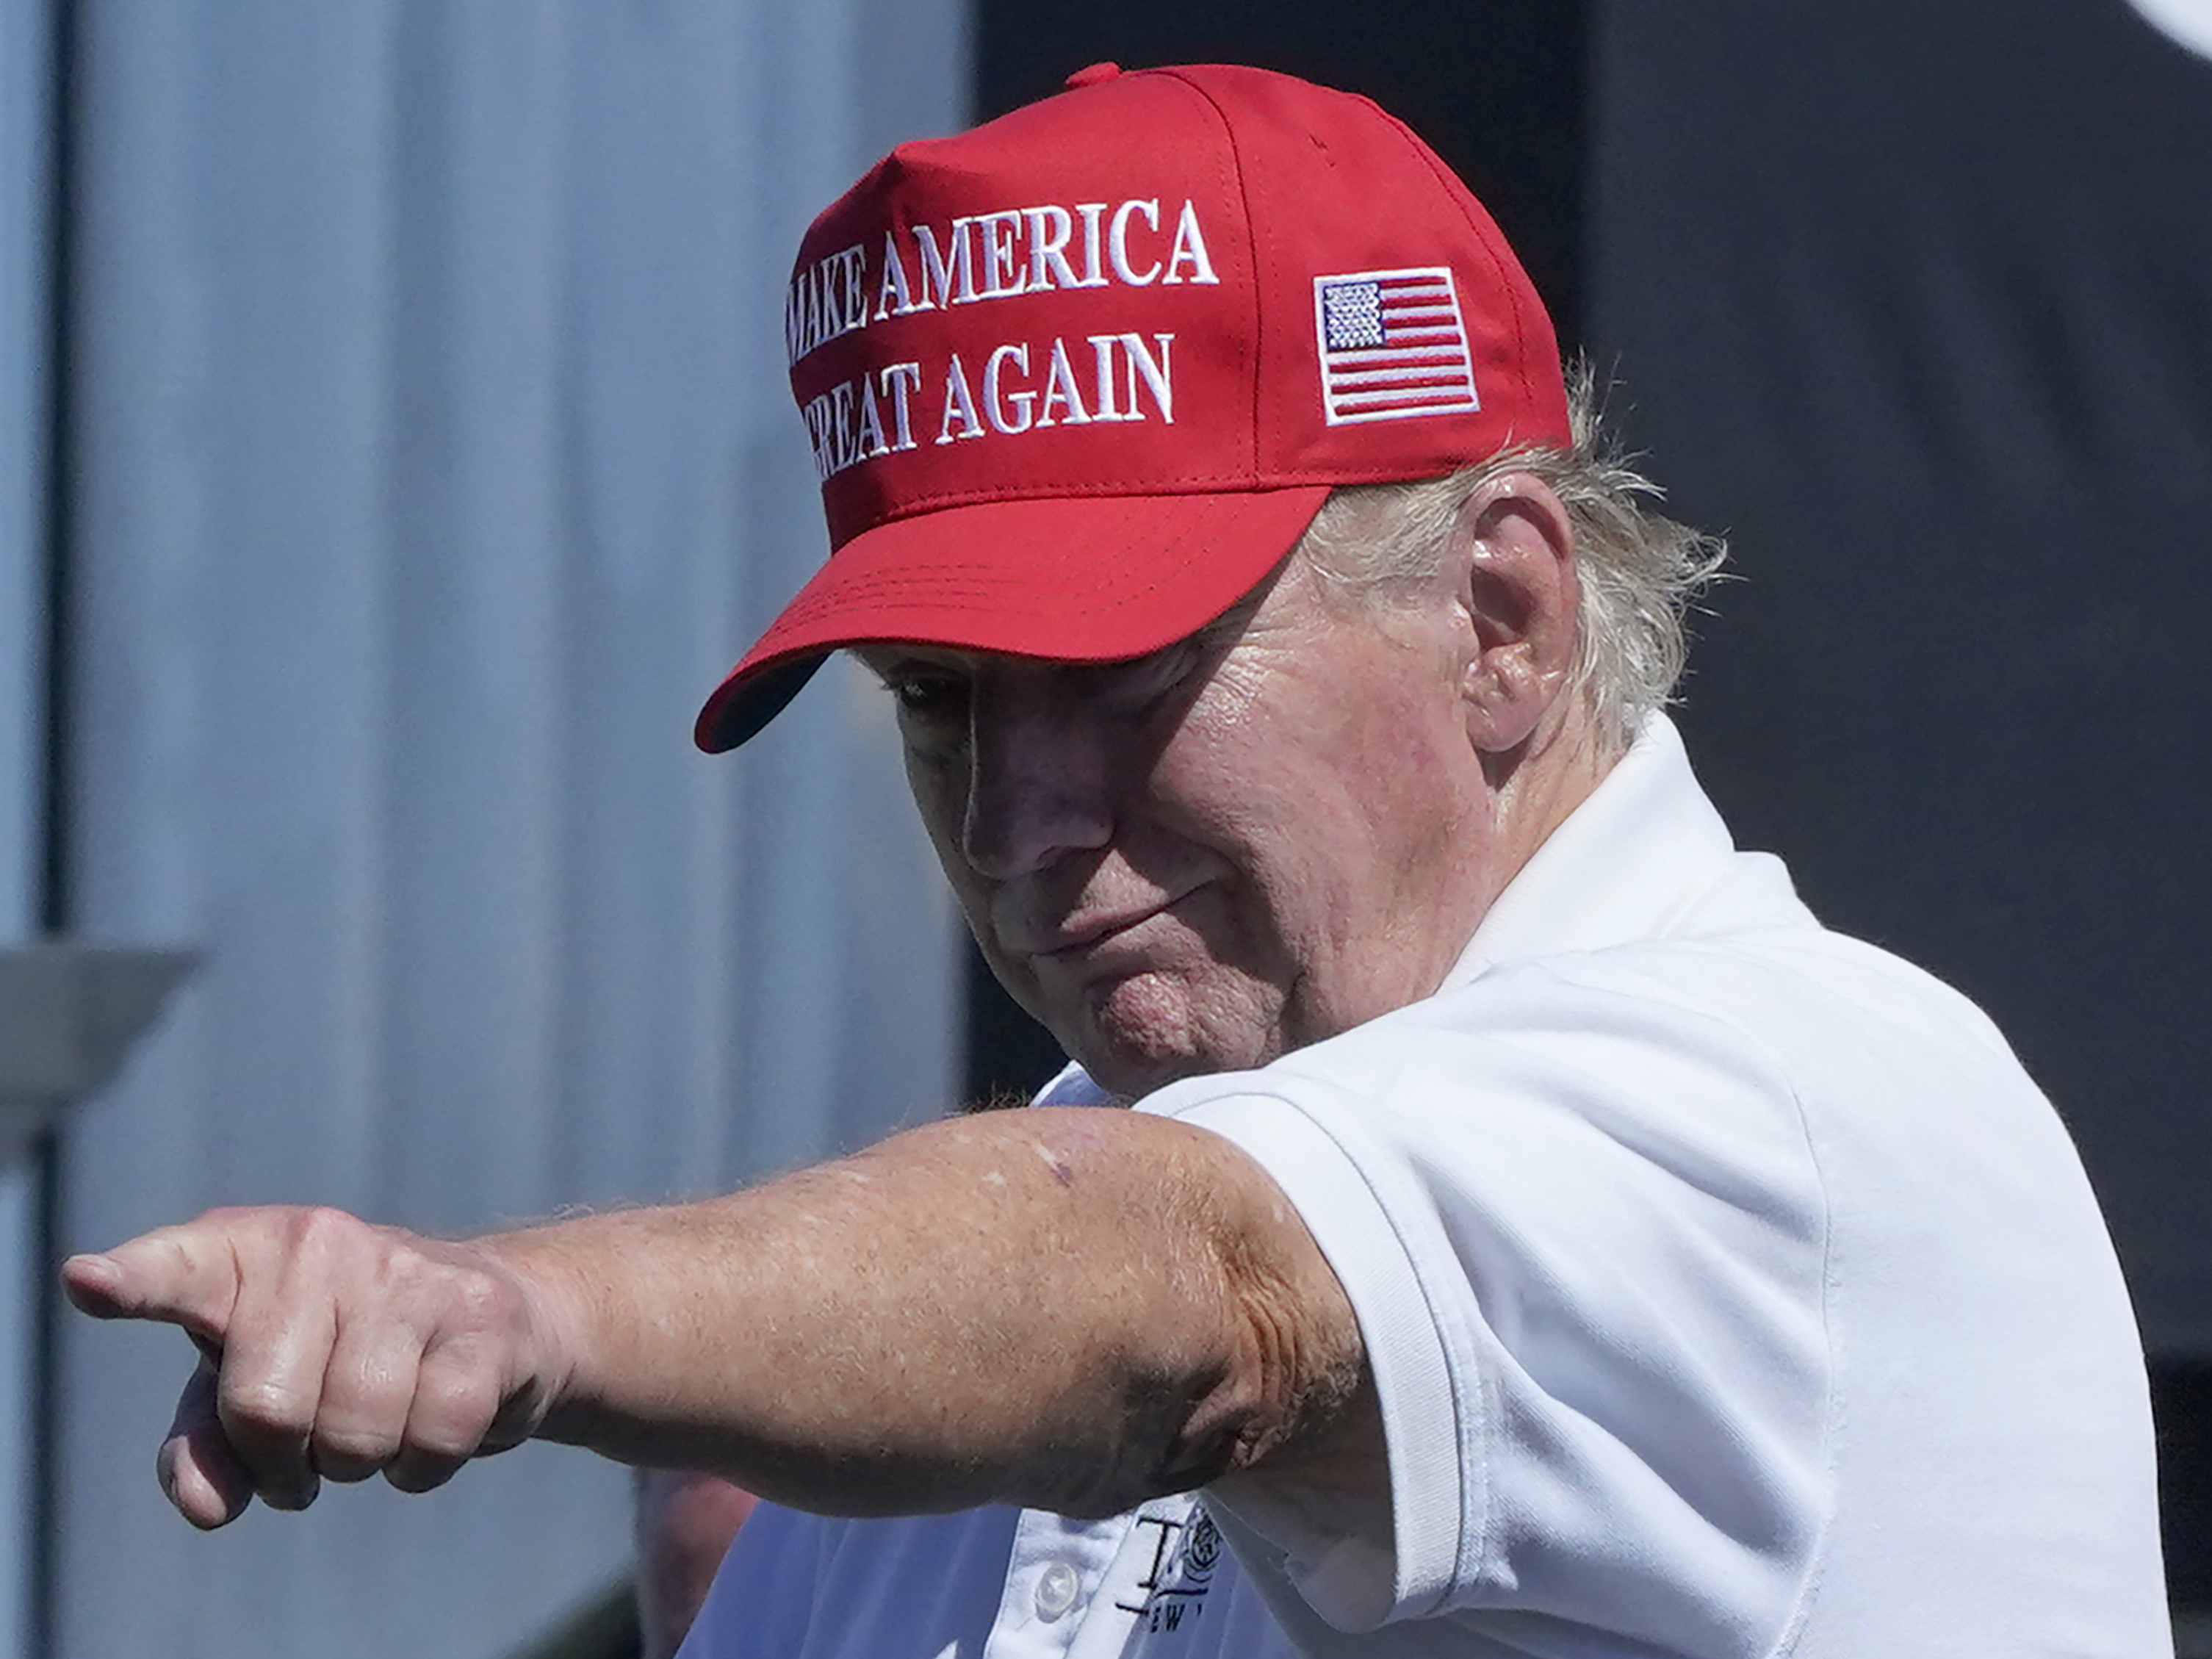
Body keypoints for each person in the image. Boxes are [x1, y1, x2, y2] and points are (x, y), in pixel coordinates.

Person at [63, 62, 2170, 1658]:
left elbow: (1190, 1289)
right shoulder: (925, 1338)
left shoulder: (1774, 1102)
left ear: (1500, 618)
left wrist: (531, 1310)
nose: (1016, 816)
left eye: (1120, 667)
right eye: (937, 698)